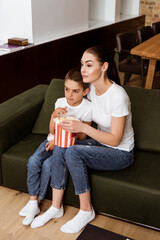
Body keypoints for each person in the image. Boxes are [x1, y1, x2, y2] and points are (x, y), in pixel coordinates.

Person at [30, 45, 134, 233]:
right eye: (82, 64)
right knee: (64, 144)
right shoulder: (91, 89)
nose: (83, 70)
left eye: (88, 65)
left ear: (104, 67)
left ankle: (86, 210)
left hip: (120, 152)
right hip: (100, 143)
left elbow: (116, 140)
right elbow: (73, 99)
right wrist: (58, 115)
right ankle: (56, 207)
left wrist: (83, 127)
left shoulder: (118, 96)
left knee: (74, 151)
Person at [19, 68, 92, 226]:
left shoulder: (87, 108)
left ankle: (39, 202)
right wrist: (53, 116)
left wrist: (66, 133)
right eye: (67, 89)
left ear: (85, 91)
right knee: (33, 161)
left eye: (75, 91)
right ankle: (33, 202)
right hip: (51, 140)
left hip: (66, 144)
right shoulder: (60, 102)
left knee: (47, 165)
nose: (69, 95)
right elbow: (52, 130)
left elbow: (82, 136)